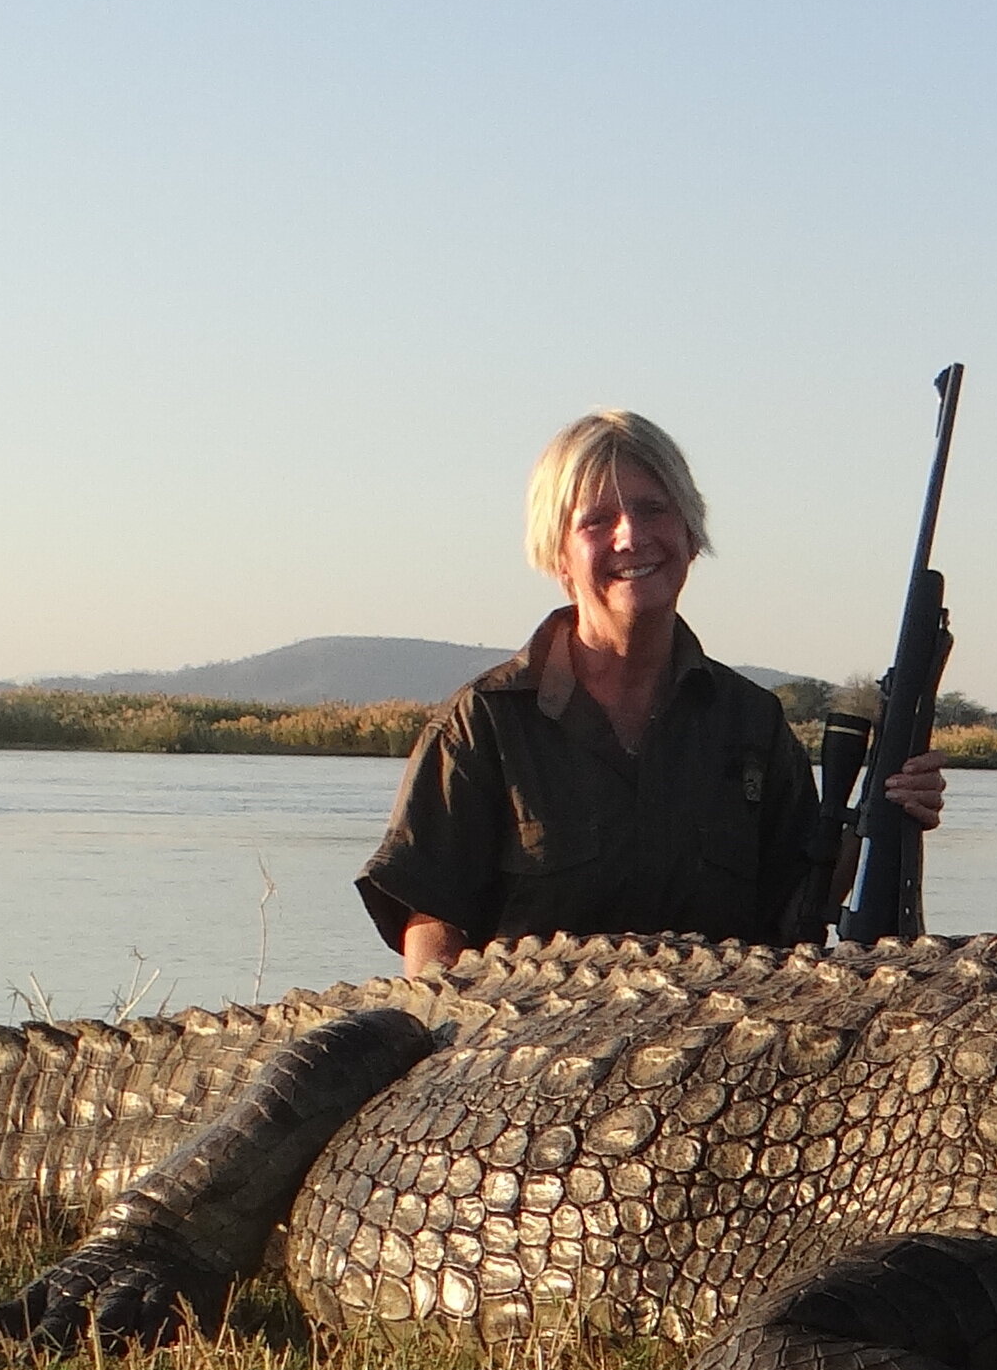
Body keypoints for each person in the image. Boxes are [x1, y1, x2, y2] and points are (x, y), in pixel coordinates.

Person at [359, 410, 946, 974]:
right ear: (558, 553)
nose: (631, 536)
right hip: (532, 1059)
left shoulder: (751, 723)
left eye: (653, 510)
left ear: (691, 534)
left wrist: (889, 814)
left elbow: (799, 911)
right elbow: (428, 917)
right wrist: (455, 1027)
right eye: (597, 520)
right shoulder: (484, 721)